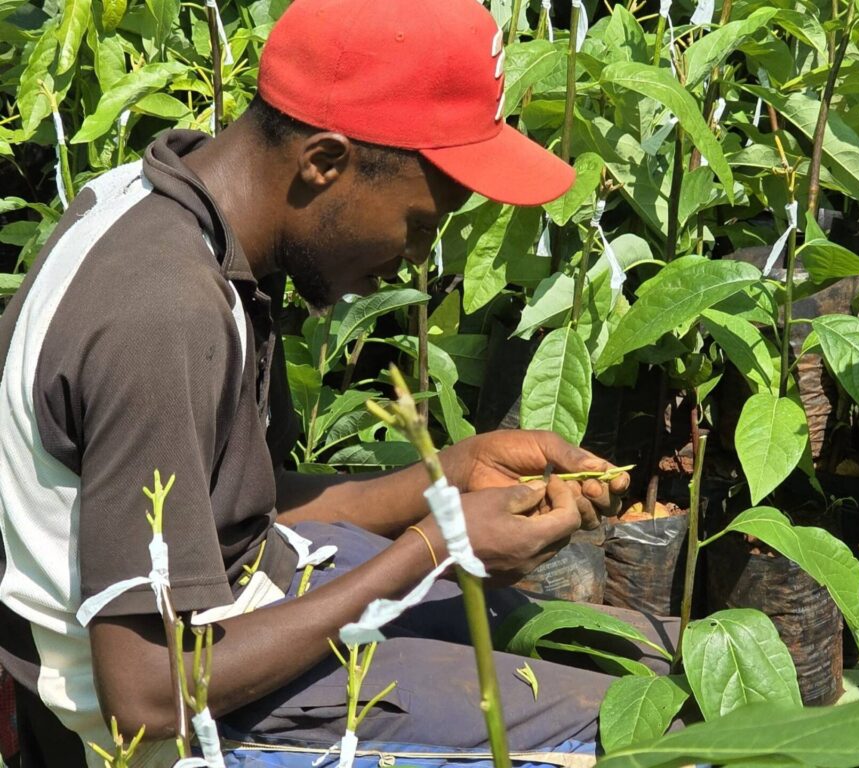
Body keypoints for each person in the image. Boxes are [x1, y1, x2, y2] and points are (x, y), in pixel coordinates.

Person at [0, 1, 677, 765]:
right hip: (154, 707)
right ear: (325, 161)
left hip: (236, 590)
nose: (419, 260)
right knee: (639, 731)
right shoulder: (164, 314)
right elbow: (149, 693)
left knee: (635, 659)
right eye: (420, 225)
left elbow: (228, 501)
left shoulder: (177, 206)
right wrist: (436, 547)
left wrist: (445, 481)